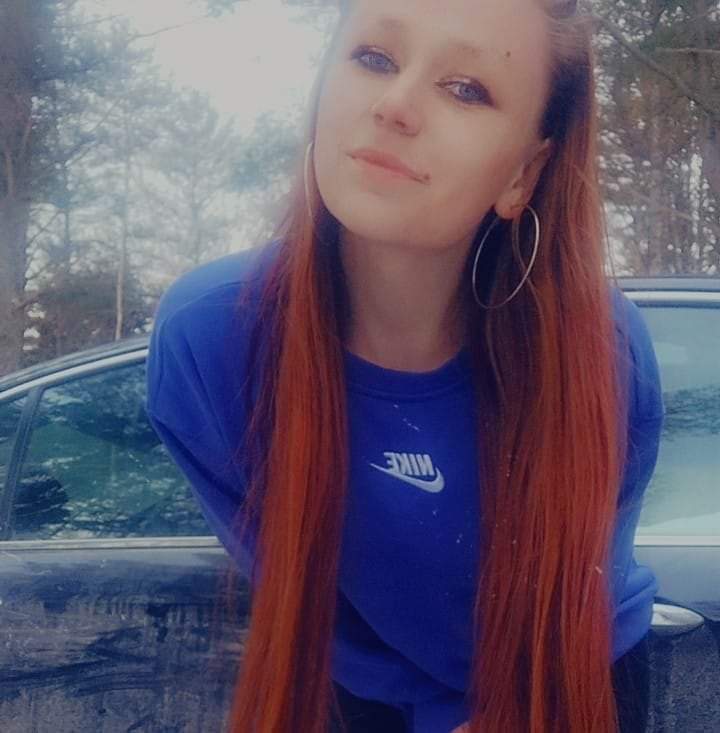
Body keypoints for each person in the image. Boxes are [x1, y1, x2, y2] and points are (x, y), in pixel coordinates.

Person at [145, 0, 664, 731]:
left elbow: (584, 598)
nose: (394, 105)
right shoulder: (211, 340)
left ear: (523, 173)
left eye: (466, 89)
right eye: (374, 58)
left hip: (569, 682)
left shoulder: (602, 353)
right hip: (361, 696)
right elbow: (312, 606)